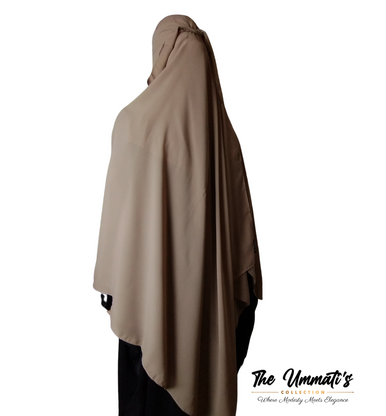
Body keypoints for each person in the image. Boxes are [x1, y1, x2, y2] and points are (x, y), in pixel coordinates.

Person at [93, 14, 263, 416]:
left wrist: (114, 283)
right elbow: (243, 253)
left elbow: (119, 222)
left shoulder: (133, 124)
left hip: (144, 301)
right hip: (208, 314)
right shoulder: (226, 141)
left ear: (161, 54)